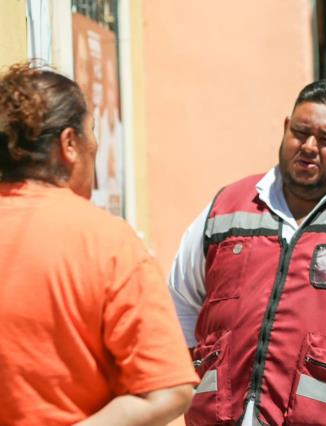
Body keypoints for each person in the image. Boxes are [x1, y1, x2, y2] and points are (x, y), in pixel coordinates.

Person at [169, 79, 326, 425]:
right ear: (285, 127)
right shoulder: (228, 205)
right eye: (300, 133)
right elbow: (182, 302)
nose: (308, 146)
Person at [0, 63, 199, 425]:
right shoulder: (108, 243)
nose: (96, 145)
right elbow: (169, 391)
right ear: (69, 144)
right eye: (92, 132)